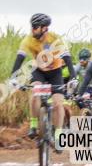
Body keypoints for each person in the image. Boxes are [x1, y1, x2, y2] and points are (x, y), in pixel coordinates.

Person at [10, 13, 75, 146]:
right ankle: (34, 125)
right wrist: (13, 77)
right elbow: (19, 59)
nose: (32, 30)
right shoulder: (28, 40)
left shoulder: (54, 38)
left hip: (55, 72)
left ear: (44, 28)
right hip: (38, 71)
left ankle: (58, 134)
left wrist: (73, 77)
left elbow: (67, 58)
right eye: (32, 26)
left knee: (58, 104)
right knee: (35, 92)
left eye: (35, 27)